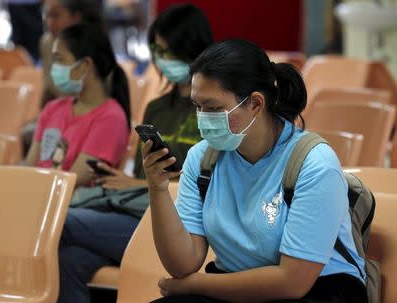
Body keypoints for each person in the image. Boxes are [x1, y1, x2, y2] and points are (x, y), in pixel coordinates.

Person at [141, 39, 368, 303]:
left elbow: (292, 282)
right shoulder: (202, 159)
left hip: (318, 291)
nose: (202, 118)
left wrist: (197, 284)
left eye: (213, 108)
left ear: (256, 104)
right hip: (235, 285)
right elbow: (183, 264)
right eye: (197, 106)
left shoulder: (314, 163)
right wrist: (158, 190)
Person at [57, 4, 213, 303]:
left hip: (175, 220)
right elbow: (147, 176)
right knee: (69, 259)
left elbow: (208, 181)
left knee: (60, 221)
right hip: (138, 208)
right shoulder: (157, 107)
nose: (160, 58)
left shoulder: (214, 113)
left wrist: (141, 185)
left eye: (168, 50)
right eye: (156, 49)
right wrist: (129, 180)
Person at [25, 23, 130, 187]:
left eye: (59, 60)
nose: (54, 68)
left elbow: (73, 180)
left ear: (85, 66)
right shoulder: (53, 108)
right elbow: (29, 167)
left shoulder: (111, 118)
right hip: (37, 194)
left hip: (72, 207)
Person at [40, 0, 104, 105]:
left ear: (75, 18)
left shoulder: (92, 45)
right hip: (62, 113)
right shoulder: (47, 43)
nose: (49, 22)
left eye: (56, 16)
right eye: (46, 15)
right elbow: (48, 92)